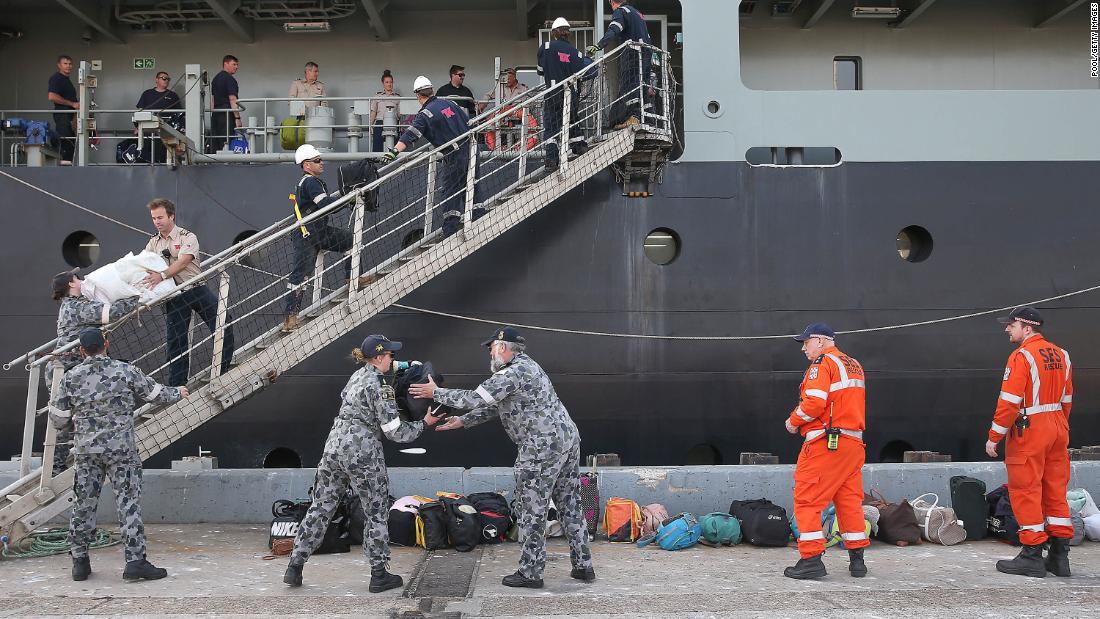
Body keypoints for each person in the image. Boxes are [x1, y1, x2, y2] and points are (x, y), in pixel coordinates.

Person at [409, 327, 594, 589]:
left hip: (540, 447)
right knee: (570, 503)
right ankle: (583, 565)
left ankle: (530, 573)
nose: (489, 353)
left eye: (491, 348)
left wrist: (435, 393)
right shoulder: (529, 366)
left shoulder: (511, 372)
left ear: (502, 347)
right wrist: (462, 421)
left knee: (531, 511)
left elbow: (474, 398)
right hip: (566, 439)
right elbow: (498, 405)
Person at [284, 334, 441, 591]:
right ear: (379, 357)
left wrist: (405, 366)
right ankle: (379, 575)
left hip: (334, 446)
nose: (393, 358)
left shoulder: (358, 375)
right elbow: (395, 432)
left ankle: (295, 566)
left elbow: (372, 382)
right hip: (362, 451)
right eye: (390, 354)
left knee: (321, 507)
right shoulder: (381, 387)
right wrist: (424, 423)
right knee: (375, 511)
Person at [50, 327, 188, 582]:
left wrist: (77, 421)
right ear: (107, 344)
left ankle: (80, 562)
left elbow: (58, 420)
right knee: (128, 503)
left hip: (87, 451)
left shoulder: (71, 377)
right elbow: (155, 394)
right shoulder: (125, 370)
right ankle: (135, 562)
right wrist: (178, 392)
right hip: (121, 450)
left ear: (81, 350)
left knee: (83, 504)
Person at [987, 307, 1074, 578]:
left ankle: (1032, 555)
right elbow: (1067, 398)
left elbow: (1010, 402)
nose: (1006, 329)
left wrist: (994, 437)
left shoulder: (1021, 356)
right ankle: (1060, 556)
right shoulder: (1063, 355)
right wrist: (1058, 424)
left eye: (1011, 325)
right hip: (1058, 424)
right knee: (1055, 490)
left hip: (1031, 429)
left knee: (1026, 489)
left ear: (1027, 328)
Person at [783, 323, 869, 580]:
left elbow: (814, 403)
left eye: (806, 342)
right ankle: (857, 561)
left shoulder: (823, 364)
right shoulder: (853, 363)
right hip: (853, 444)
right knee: (849, 501)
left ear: (820, 341)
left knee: (807, 500)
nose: (804, 349)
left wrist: (792, 421)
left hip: (826, 443)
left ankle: (811, 559)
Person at [46, 269, 142, 473]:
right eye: (77, 278)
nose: (81, 280)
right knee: (63, 418)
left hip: (71, 366)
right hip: (67, 367)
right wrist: (136, 296)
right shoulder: (75, 307)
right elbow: (111, 313)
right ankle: (55, 468)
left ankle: (64, 460)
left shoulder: (75, 305)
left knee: (70, 415)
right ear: (71, 284)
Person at [142, 198, 234, 386]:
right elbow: (144, 264)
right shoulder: (153, 243)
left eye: (160, 217)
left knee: (223, 322)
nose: (156, 222)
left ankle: (222, 367)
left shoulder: (187, 237)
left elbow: (184, 261)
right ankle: (178, 385)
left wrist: (162, 275)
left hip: (195, 288)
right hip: (174, 297)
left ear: (171, 216)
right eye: (153, 218)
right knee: (176, 341)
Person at [283, 144, 373, 332]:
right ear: (307, 165)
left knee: (349, 240)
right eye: (317, 161)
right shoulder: (310, 182)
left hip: (318, 231)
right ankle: (290, 317)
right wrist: (350, 198)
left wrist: (344, 195)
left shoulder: (313, 182)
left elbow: (326, 203)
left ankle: (352, 278)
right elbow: (325, 204)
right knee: (301, 275)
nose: (322, 163)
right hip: (306, 235)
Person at [382, 76, 484, 238]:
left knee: (451, 190)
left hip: (454, 154)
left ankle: (451, 229)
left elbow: (411, 135)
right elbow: (469, 122)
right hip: (472, 148)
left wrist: (394, 151)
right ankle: (479, 217)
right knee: (473, 184)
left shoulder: (424, 114)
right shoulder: (450, 103)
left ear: (418, 95)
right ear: (433, 91)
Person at [538, 18, 593, 172]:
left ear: (554, 32)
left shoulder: (546, 47)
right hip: (571, 92)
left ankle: (551, 160)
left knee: (551, 125)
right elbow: (587, 72)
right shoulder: (576, 52)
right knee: (572, 120)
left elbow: (540, 71)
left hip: (553, 92)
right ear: (568, 34)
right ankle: (579, 146)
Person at [589, 0, 651, 129]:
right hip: (646, 52)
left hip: (632, 52)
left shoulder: (620, 11)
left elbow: (614, 30)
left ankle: (633, 117)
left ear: (612, 2)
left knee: (629, 84)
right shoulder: (637, 13)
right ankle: (645, 118)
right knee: (642, 85)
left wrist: (598, 46)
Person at [135, 71, 183, 163]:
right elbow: (140, 110)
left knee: (163, 152)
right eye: (164, 78)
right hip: (148, 129)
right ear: (156, 80)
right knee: (146, 151)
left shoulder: (173, 96)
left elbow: (179, 114)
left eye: (168, 79)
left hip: (167, 129)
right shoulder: (147, 94)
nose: (166, 81)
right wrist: (137, 126)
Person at [47, 55, 78, 164]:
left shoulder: (67, 81)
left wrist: (75, 118)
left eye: (70, 64)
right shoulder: (57, 78)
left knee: (70, 144)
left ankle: (67, 169)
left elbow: (75, 103)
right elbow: (52, 96)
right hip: (63, 115)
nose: (68, 66)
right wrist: (72, 104)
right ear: (59, 65)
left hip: (69, 117)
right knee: (65, 144)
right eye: (65, 63)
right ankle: (64, 172)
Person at [209, 54, 240, 152]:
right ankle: (226, 163)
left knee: (216, 141)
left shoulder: (215, 79)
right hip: (226, 114)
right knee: (227, 141)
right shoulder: (229, 79)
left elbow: (213, 100)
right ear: (226, 64)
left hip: (216, 114)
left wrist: (213, 113)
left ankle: (214, 164)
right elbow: (232, 99)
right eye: (234, 64)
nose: (236, 67)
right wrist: (237, 118)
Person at [370, 69, 402, 153]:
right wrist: (370, 125)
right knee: (377, 145)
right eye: (387, 82)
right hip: (380, 122)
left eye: (390, 82)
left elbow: (400, 114)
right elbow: (374, 112)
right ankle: (376, 161)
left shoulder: (398, 97)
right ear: (383, 83)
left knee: (395, 145)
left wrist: (401, 123)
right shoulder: (377, 96)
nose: (389, 84)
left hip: (394, 122)